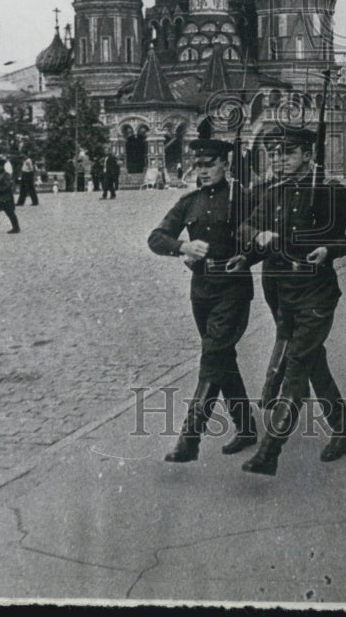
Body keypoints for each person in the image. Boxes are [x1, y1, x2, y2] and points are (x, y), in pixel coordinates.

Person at [232, 126, 346, 476]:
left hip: (316, 292)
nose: (279, 159)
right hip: (282, 292)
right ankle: (343, 432)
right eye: (275, 153)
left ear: (309, 155)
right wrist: (253, 247)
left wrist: (329, 249)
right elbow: (245, 228)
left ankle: (269, 452)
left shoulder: (329, 191)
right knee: (312, 362)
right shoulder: (274, 192)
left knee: (298, 365)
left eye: (288, 153)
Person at [148, 137, 256, 462]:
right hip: (202, 291)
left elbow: (262, 238)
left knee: (212, 357)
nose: (203, 171)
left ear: (225, 164)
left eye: (210, 165)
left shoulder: (243, 198)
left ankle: (189, 438)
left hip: (233, 288)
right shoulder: (189, 201)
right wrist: (183, 246)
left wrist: (248, 252)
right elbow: (156, 238)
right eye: (199, 165)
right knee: (222, 357)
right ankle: (246, 426)